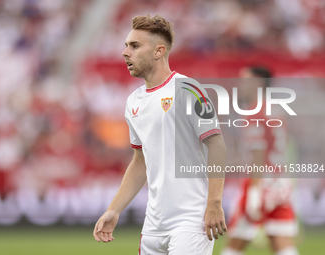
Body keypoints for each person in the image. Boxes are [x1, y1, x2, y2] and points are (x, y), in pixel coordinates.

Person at [93, 15, 227, 254]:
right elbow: (140, 162)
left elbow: (216, 145)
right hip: (154, 224)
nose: (125, 52)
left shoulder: (189, 89)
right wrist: (114, 209)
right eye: (126, 45)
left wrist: (215, 203)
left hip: (191, 220)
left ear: (158, 51)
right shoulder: (133, 101)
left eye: (134, 46)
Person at [221, 67, 299, 255]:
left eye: (244, 80)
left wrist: (254, 191)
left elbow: (259, 154)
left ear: (257, 83)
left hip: (260, 181)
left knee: (235, 244)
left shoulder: (254, 111)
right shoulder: (277, 110)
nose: (241, 85)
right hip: (280, 183)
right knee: (282, 243)